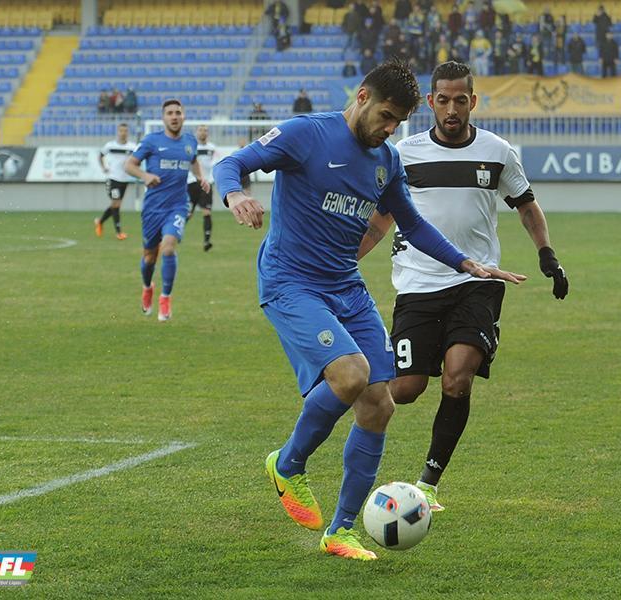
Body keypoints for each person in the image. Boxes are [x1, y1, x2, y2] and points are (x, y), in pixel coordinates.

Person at [212, 58, 524, 561]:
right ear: (361, 97)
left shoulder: (387, 159)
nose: (390, 129)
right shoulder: (305, 133)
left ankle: (341, 531)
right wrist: (234, 195)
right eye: (385, 116)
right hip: (292, 283)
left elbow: (413, 224)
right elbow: (231, 164)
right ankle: (287, 465)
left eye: (398, 122)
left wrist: (467, 263)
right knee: (352, 374)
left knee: (380, 404)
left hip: (346, 287)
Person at [357, 61, 569, 512]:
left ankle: (429, 484)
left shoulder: (497, 151)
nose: (451, 109)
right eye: (443, 100)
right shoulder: (404, 154)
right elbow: (380, 220)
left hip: (478, 282)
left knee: (457, 378)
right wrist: (343, 260)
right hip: (417, 285)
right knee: (406, 388)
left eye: (460, 100)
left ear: (473, 101)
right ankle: (341, 397)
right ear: (430, 102)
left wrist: (546, 254)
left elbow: (526, 205)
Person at [124, 99, 209, 322]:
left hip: (178, 205)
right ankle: (147, 287)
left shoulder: (190, 141)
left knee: (169, 247)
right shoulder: (151, 141)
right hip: (153, 208)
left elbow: (193, 160)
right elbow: (129, 165)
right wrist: (145, 176)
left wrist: (200, 177)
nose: (174, 116)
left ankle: (165, 298)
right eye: (170, 113)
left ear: (183, 116)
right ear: (163, 118)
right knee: (149, 257)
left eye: (178, 113)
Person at [95, 123, 137, 240]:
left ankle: (100, 221)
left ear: (128, 133)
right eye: (121, 131)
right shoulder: (110, 145)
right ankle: (119, 232)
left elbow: (137, 159)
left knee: (116, 205)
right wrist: (104, 167)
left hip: (125, 180)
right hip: (113, 179)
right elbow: (100, 155)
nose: (123, 133)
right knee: (116, 204)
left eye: (125, 131)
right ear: (118, 132)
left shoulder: (132, 147)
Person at [186, 124, 216, 252]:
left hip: (206, 184)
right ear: (196, 132)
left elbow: (214, 164)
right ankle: (173, 235)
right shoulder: (191, 147)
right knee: (188, 214)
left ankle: (207, 241)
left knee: (207, 212)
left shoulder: (212, 148)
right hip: (192, 183)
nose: (203, 132)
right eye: (200, 130)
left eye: (205, 130)